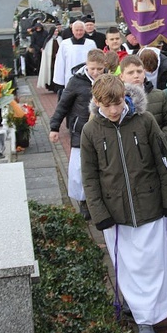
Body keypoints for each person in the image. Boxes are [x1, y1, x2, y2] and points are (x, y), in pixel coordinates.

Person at [80, 74, 167, 333]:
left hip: (149, 204)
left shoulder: (145, 122)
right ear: (97, 102)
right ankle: (140, 313)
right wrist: (99, 213)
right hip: (115, 211)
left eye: (118, 103)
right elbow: (89, 177)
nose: (113, 110)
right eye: (106, 105)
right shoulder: (91, 131)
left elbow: (163, 161)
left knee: (151, 262)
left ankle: (149, 316)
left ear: (125, 97)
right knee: (128, 266)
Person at [49, 49, 106, 220]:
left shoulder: (108, 81)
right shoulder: (76, 82)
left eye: (99, 69)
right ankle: (83, 200)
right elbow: (63, 105)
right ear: (86, 66)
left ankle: (100, 199)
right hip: (80, 130)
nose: (95, 73)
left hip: (103, 130)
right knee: (79, 168)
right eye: (92, 69)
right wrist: (54, 127)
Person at [120, 55, 167, 145]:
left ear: (144, 73)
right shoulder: (116, 100)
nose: (136, 75)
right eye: (130, 73)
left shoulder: (159, 96)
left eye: (139, 71)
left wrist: (161, 139)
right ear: (122, 76)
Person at [52, 20, 97, 89]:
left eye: (81, 30)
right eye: (77, 30)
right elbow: (60, 62)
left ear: (84, 30)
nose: (79, 32)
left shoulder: (91, 43)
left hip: (87, 76)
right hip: (69, 75)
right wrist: (60, 80)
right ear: (72, 31)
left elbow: (95, 60)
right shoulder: (65, 44)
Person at [37, 21, 60, 91]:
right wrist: (53, 55)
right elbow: (46, 51)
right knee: (52, 73)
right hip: (51, 61)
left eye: (57, 31)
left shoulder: (59, 39)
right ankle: (52, 87)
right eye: (55, 31)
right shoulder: (49, 41)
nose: (56, 33)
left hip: (58, 61)